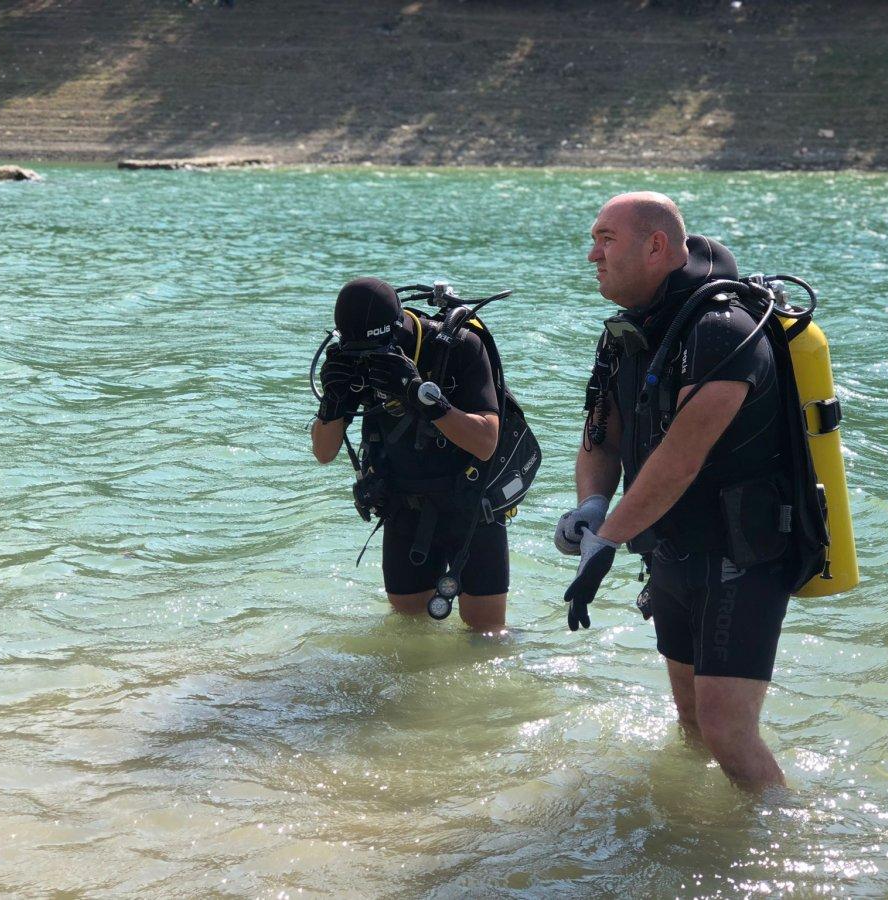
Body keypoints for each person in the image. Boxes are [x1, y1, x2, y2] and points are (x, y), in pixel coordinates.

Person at [557, 192, 792, 790]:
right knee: (690, 721)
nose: (592, 255)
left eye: (606, 240)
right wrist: (592, 507)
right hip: (671, 548)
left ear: (656, 245)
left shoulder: (724, 331)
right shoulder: (627, 333)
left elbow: (682, 458)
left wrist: (607, 539)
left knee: (726, 730)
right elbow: (600, 437)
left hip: (742, 553)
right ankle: (691, 841)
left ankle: (785, 840)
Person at [311, 277, 509, 631]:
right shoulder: (353, 359)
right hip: (405, 505)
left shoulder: (461, 346)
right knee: (408, 631)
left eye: (375, 351)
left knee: (487, 633)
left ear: (397, 331)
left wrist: (421, 396)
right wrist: (332, 404)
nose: (367, 360)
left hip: (471, 504)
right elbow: (324, 453)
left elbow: (486, 442)